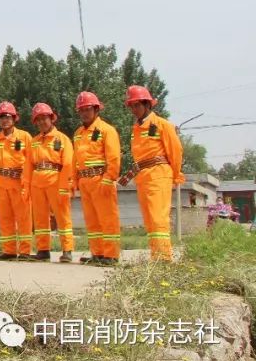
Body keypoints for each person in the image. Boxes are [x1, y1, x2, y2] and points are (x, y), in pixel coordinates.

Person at [122, 85, 184, 262]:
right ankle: (155, 256)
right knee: (149, 219)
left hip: (159, 174)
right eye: (132, 106)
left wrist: (176, 173)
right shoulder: (136, 128)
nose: (134, 109)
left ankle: (163, 258)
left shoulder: (162, 125)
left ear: (147, 104)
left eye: (137, 105)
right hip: (143, 175)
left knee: (158, 218)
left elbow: (175, 150)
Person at [71, 91, 122, 266]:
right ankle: (97, 253)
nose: (84, 113)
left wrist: (109, 178)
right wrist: (75, 180)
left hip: (101, 179)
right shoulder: (78, 133)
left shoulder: (106, 130)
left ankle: (111, 254)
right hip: (85, 181)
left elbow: (113, 157)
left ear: (96, 109)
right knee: (92, 220)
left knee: (107, 219)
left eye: (88, 109)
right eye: (81, 110)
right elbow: (75, 159)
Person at [23, 103, 75, 262]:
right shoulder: (34, 141)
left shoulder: (62, 139)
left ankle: (67, 250)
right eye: (37, 120)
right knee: (40, 217)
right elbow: (28, 165)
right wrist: (26, 186)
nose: (41, 122)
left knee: (62, 216)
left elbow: (68, 163)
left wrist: (65, 186)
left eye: (44, 118)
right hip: (37, 181)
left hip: (55, 179)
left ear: (51, 118)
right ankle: (43, 250)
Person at [0, 101, 33, 260]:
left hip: (19, 183)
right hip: (1, 183)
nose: (4, 120)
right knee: (5, 218)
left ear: (14, 118)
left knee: (23, 218)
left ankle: (25, 251)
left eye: (7, 116)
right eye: (1, 117)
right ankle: (8, 251)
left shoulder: (24, 137)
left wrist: (26, 181)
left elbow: (30, 160)